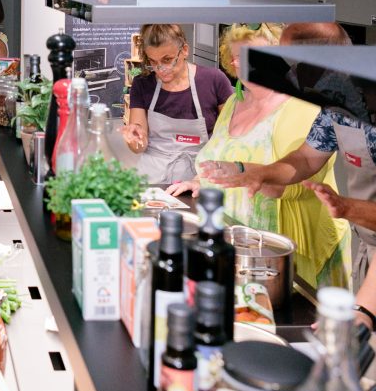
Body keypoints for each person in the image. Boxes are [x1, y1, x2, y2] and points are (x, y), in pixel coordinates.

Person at [168, 22, 350, 290]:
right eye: (239, 57)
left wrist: (253, 174)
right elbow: (224, 156)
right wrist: (204, 180)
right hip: (242, 243)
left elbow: (299, 180)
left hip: (288, 252)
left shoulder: (303, 105)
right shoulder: (234, 102)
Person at [208, 22, 375, 290]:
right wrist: (261, 173)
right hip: (369, 243)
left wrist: (348, 208)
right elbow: (307, 158)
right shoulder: (335, 106)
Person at [120, 23, 235, 185]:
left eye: (167, 60)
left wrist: (201, 180)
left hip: (201, 175)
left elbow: (229, 138)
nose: (161, 69)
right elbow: (140, 145)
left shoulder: (214, 80)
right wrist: (134, 140)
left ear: (185, 50)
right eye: (153, 61)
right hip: (154, 176)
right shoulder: (142, 84)